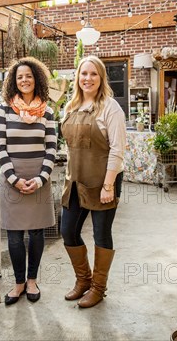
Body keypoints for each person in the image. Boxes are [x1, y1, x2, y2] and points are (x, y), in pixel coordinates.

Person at [60, 55, 126, 308]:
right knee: (68, 231)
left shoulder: (110, 108)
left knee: (101, 233)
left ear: (101, 78)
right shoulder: (70, 107)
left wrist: (109, 185)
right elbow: (70, 147)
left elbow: (118, 149)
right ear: (77, 77)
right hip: (75, 180)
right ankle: (83, 280)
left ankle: (98, 288)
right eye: (83, 73)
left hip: (102, 181)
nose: (88, 78)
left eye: (93, 74)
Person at [0, 56, 56, 305]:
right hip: (12, 179)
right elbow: (0, 146)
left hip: (39, 176)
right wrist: (13, 179)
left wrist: (41, 179)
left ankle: (32, 280)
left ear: (36, 79)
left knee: (37, 232)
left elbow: (51, 148)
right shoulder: (4, 109)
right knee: (14, 236)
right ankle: (19, 283)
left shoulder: (48, 111)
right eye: (19, 76)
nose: (24, 80)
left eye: (29, 76)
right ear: (13, 81)